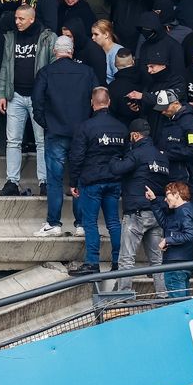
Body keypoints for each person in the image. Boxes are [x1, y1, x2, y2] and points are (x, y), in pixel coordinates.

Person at [33, 36, 97, 237]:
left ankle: (54, 223)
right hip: (82, 133)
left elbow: (37, 104)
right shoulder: (87, 72)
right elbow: (98, 98)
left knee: (54, 180)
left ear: (54, 51)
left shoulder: (46, 72)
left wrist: (48, 124)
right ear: (72, 50)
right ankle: (82, 224)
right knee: (80, 179)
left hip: (56, 132)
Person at [0, 5, 55, 196]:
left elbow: (54, 68)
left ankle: (44, 182)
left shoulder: (46, 37)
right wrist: (2, 94)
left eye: (21, 19)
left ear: (32, 19)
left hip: (38, 97)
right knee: (13, 141)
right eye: (16, 18)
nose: (17, 22)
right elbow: (5, 66)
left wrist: (49, 95)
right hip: (15, 96)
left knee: (41, 141)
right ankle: (12, 181)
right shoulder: (11, 37)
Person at [69, 87, 128, 276]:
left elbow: (76, 156)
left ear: (92, 104)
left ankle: (92, 263)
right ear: (109, 102)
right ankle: (118, 262)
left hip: (92, 180)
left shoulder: (85, 127)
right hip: (114, 180)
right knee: (113, 222)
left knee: (90, 222)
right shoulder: (121, 127)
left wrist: (73, 181)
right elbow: (127, 155)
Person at [111, 118, 171, 293]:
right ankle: (163, 297)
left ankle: (124, 298)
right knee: (157, 261)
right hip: (156, 212)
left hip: (136, 213)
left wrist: (116, 155)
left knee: (126, 259)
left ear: (135, 135)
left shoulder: (136, 154)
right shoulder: (161, 157)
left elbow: (117, 169)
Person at [145, 181, 193, 298]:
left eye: (168, 194)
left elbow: (189, 235)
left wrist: (167, 240)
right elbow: (165, 224)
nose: (165, 199)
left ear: (177, 194)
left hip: (176, 265)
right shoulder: (183, 210)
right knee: (183, 303)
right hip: (182, 262)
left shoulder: (184, 210)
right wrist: (153, 201)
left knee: (176, 302)